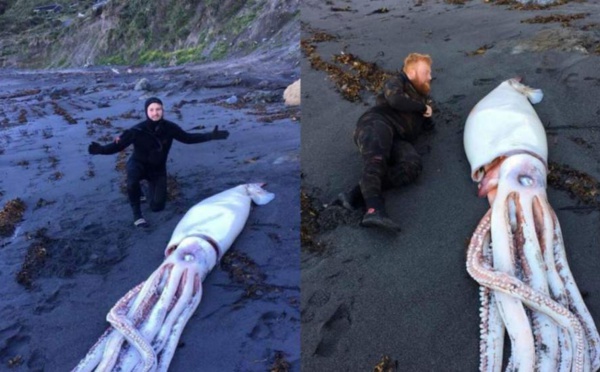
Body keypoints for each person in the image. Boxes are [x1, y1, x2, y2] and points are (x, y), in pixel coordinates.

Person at [88, 97, 230, 227]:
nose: (155, 113)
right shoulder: (137, 130)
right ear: (146, 111)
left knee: (157, 207)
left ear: (162, 110)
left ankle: (143, 191)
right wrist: (101, 149)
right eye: (151, 110)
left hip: (157, 170)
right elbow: (118, 146)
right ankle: (137, 215)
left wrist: (210, 136)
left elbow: (188, 138)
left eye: (158, 109)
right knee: (132, 181)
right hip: (138, 165)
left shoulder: (170, 128)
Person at [336, 53, 434, 232]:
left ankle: (354, 194)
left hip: (398, 137)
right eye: (426, 72)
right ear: (411, 72)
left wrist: (427, 116)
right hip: (376, 123)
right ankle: (374, 209)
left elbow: (425, 125)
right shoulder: (397, 81)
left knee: (412, 165)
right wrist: (422, 108)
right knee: (377, 160)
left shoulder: (421, 98)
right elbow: (395, 100)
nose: (430, 76)